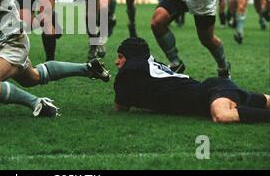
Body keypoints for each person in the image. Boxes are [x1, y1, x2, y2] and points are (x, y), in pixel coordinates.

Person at [114, 37, 270, 123]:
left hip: (211, 93)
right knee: (259, 100)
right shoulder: (147, 64)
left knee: (222, 116)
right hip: (214, 89)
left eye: (120, 57)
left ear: (131, 57)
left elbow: (120, 107)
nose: (116, 62)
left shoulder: (131, 69)